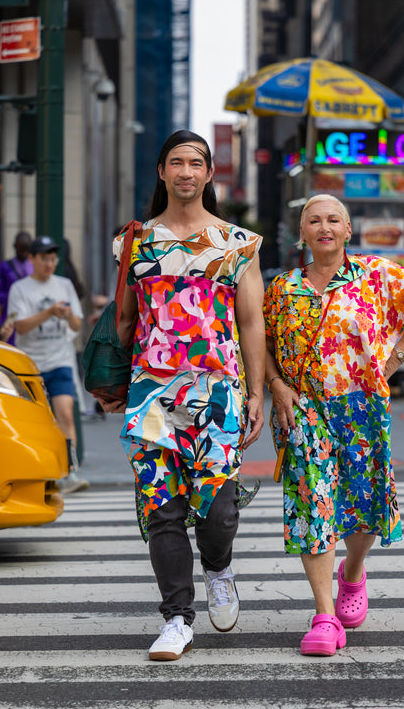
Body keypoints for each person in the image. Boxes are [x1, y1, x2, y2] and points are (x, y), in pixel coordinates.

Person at [102, 129, 265, 661]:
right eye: (176, 162)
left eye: (196, 162)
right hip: (151, 392)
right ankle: (176, 618)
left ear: (209, 173)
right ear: (162, 172)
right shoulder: (135, 241)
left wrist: (257, 390)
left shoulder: (239, 244)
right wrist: (115, 385)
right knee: (162, 509)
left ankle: (218, 567)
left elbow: (251, 322)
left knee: (218, 511)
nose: (186, 172)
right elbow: (125, 319)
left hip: (218, 392)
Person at [263, 194, 404, 657]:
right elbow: (260, 340)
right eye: (313, 220)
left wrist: (393, 360)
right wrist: (274, 384)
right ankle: (325, 615)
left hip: (362, 408)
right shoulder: (281, 288)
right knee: (313, 503)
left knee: (363, 505)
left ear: (348, 230)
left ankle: (353, 570)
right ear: (301, 232)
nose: (324, 226)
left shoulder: (378, 275)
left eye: (333, 219)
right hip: (303, 409)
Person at [7, 236, 90, 494]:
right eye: (44, 258)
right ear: (32, 259)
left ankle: (71, 472)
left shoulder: (65, 285)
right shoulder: (20, 289)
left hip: (60, 361)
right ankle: (38, 472)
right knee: (37, 419)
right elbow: (20, 326)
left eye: (53, 259)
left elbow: (78, 325)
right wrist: (49, 312)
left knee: (65, 413)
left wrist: (67, 315)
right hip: (30, 365)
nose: (49, 263)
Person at [0, 231, 33, 343]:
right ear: (15, 247)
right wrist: (14, 297)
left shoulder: (34, 266)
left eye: (27, 250)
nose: (25, 253)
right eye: (22, 249)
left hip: (31, 313)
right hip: (12, 315)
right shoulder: (4, 266)